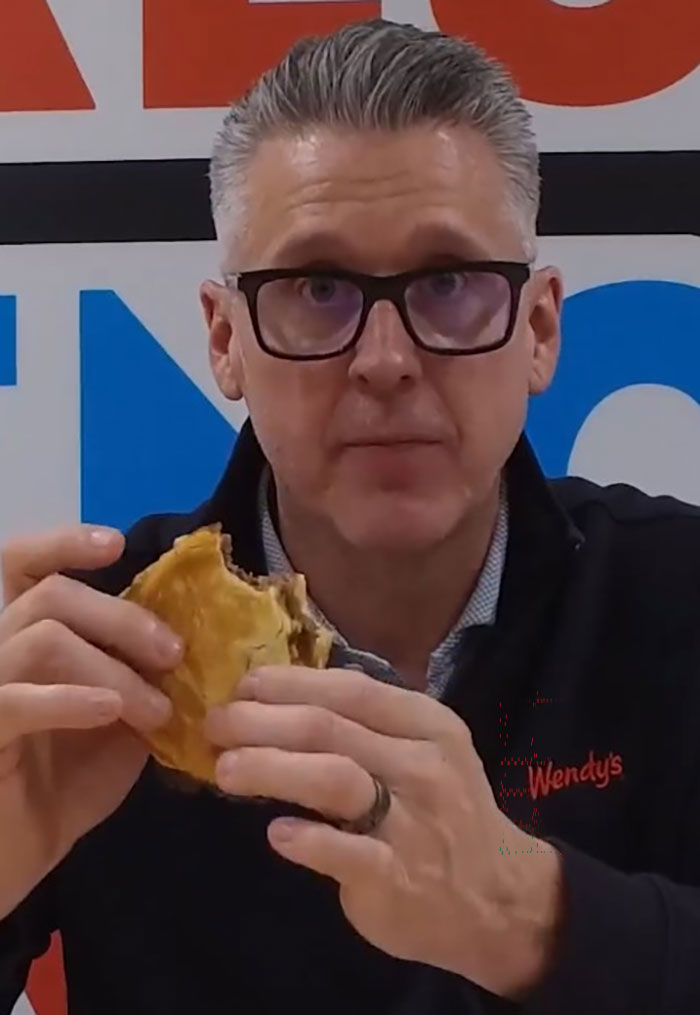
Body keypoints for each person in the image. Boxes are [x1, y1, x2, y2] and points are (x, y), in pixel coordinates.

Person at [1, 18, 699, 1015]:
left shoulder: (679, 599)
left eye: (449, 283)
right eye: (318, 288)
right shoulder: (96, 667)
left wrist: (532, 914)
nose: (383, 358)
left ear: (538, 329)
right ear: (224, 339)